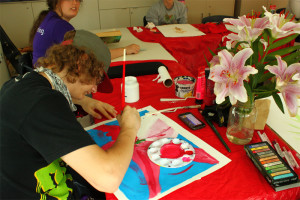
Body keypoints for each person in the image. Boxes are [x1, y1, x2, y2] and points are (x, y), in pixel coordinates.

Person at [0, 29, 141, 199]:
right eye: (96, 78)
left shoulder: (30, 83)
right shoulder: (43, 104)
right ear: (80, 64)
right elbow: (108, 179)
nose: (95, 89)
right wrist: (129, 128)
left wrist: (82, 100)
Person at [29, 0, 140, 65]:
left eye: (77, 0)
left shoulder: (48, 18)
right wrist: (126, 50)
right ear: (56, 2)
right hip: (51, 82)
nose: (75, 3)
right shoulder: (60, 26)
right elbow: (93, 56)